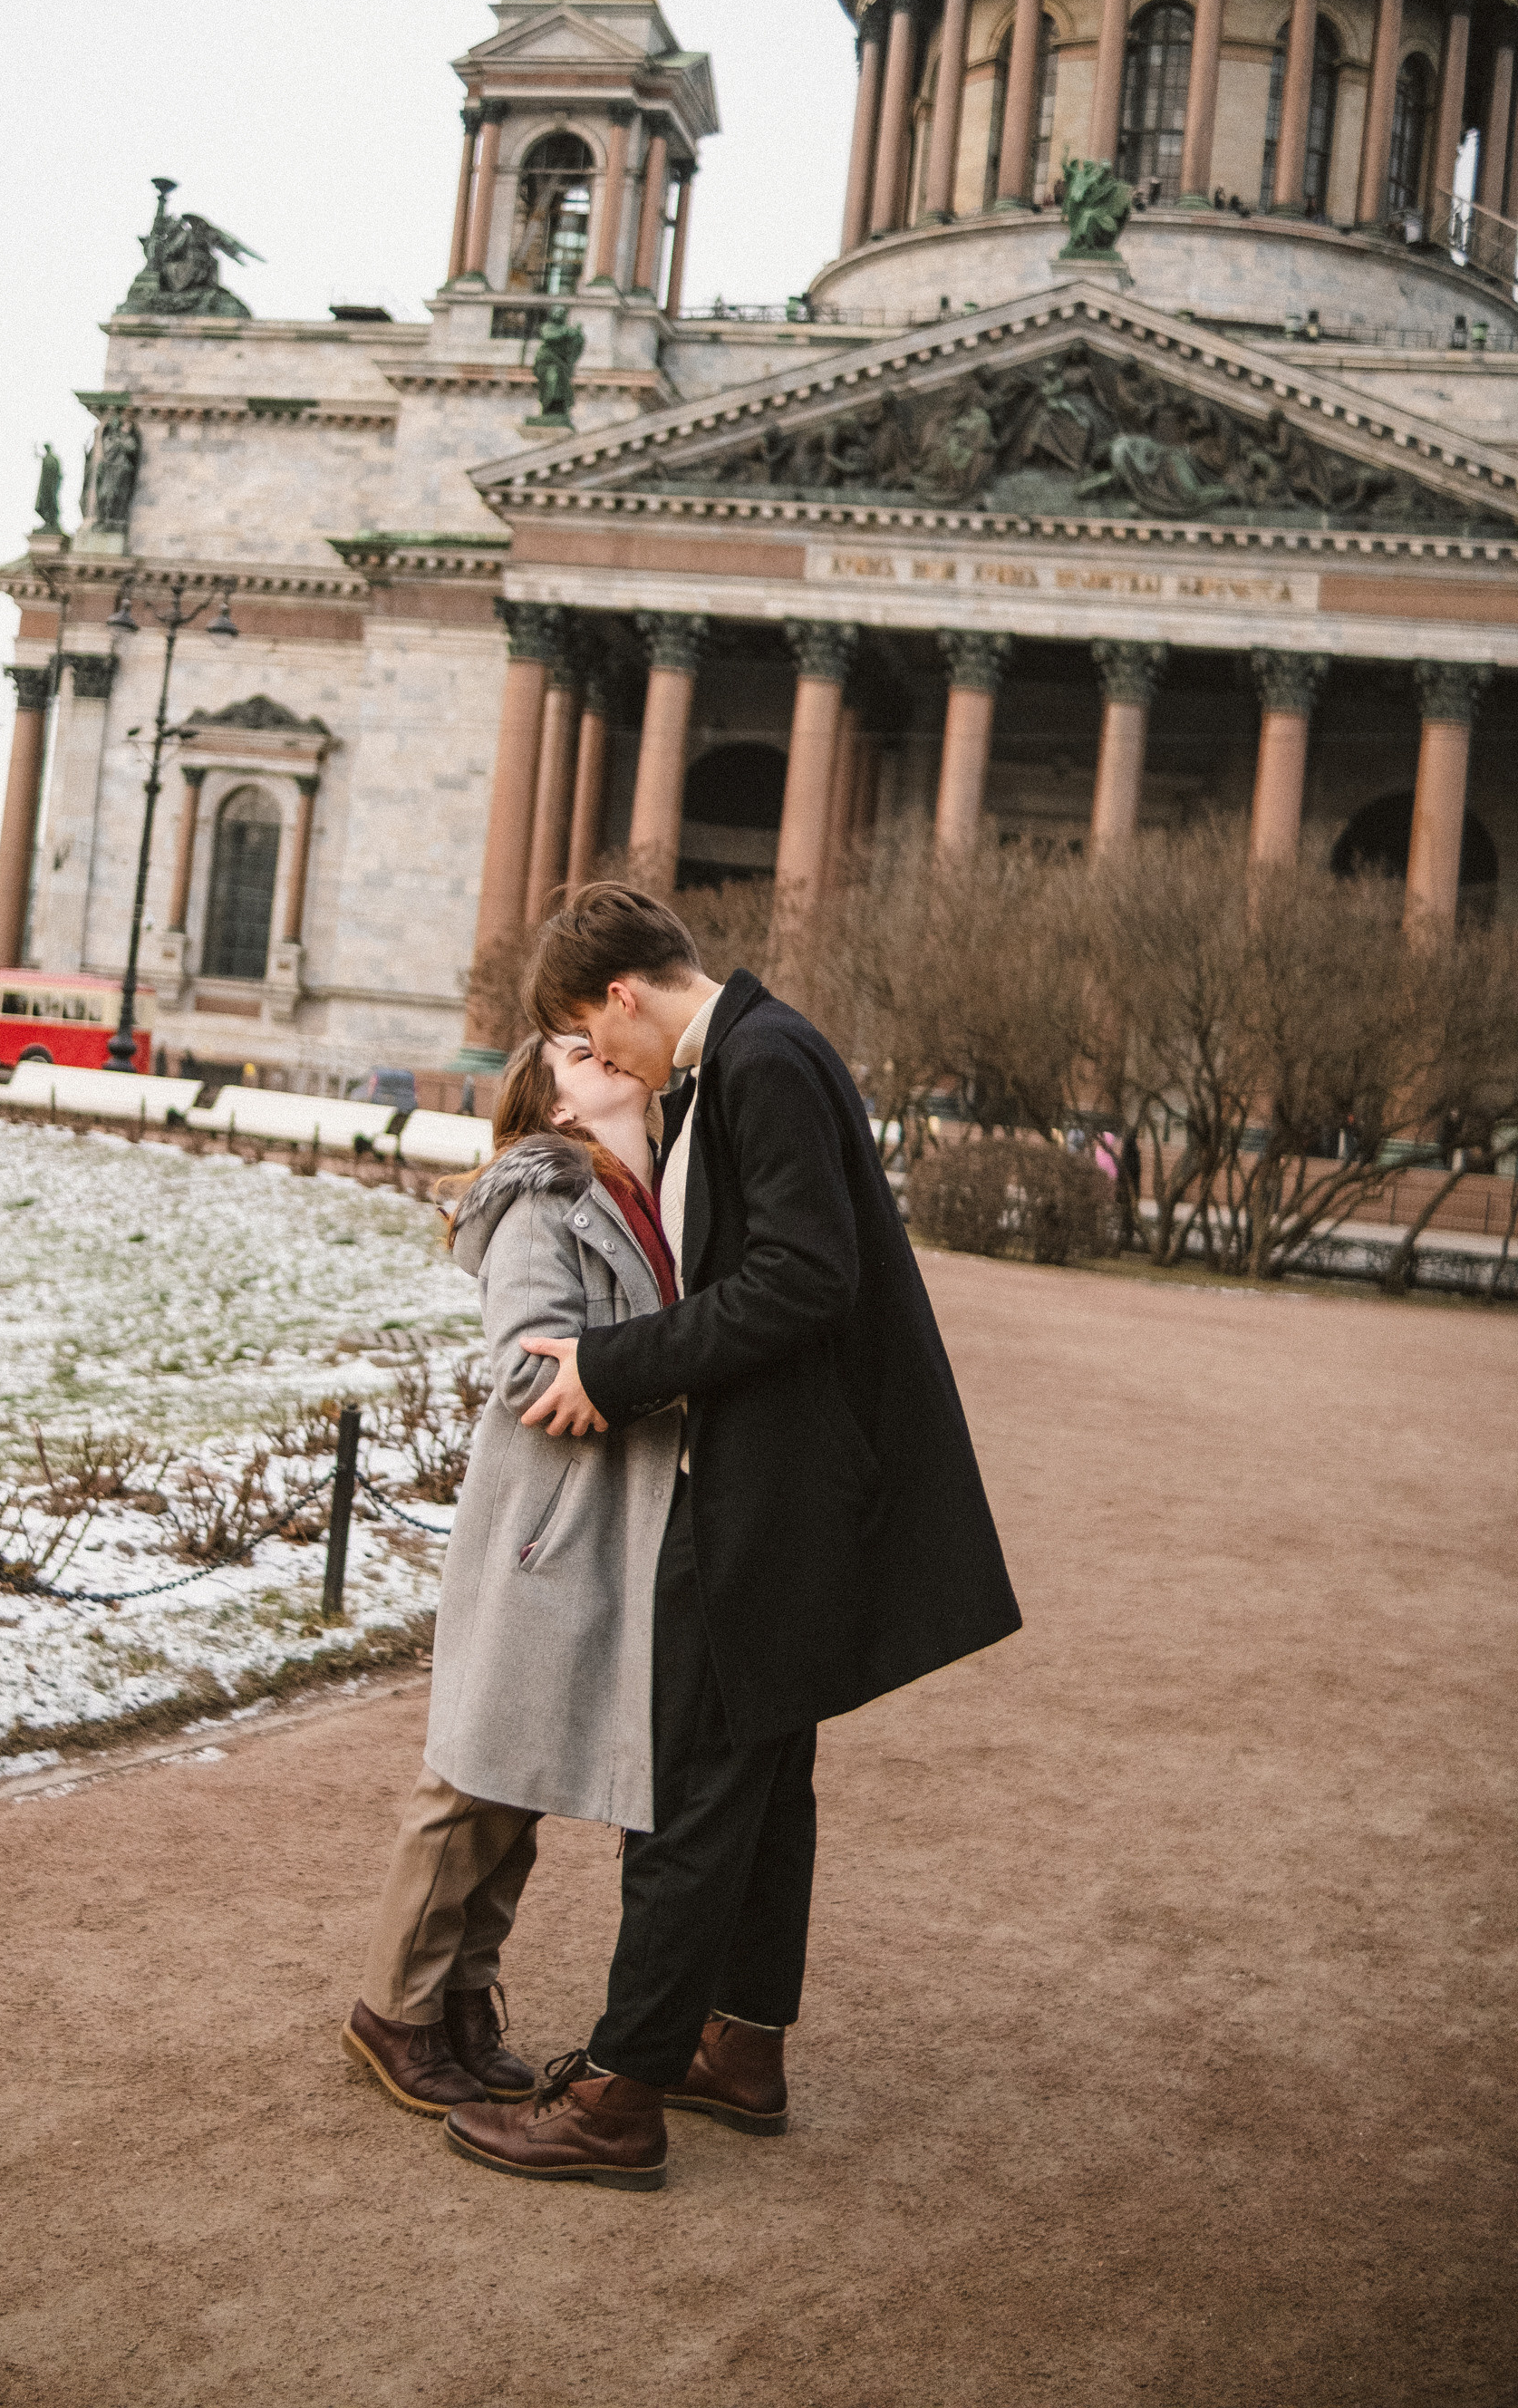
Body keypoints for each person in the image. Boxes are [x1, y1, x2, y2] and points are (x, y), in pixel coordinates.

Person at [440, 885, 1021, 2191]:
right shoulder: (761, 1052)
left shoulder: (756, 1062)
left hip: (774, 1490)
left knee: (692, 1782)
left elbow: (804, 1280)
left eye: (592, 1041)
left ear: (621, 998)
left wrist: (616, 1362)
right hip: (798, 1480)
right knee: (761, 1773)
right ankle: (740, 2049)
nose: (600, 1068)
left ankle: (618, 2096)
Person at [344, 1029, 681, 2121]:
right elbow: (523, 1366)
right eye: (582, 1053)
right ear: (563, 1108)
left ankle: (464, 1996)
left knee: (521, 1782)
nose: (611, 1052)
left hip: (600, 1523)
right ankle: (394, 2008)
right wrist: (666, 1381)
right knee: (474, 1778)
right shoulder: (547, 1203)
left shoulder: (648, 1193)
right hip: (548, 1524)